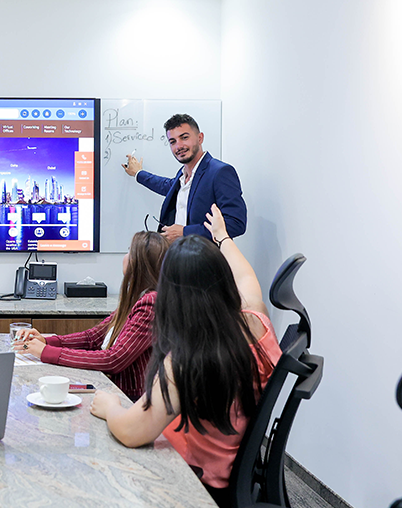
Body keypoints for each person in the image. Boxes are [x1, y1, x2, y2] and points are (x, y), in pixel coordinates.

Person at [89, 204, 281, 502]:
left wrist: (110, 405)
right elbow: (246, 277)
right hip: (229, 470)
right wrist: (222, 238)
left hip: (192, 483)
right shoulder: (256, 321)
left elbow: (130, 431)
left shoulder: (187, 361)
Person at [12, 231, 168, 400]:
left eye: (129, 251)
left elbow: (113, 359)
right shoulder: (137, 298)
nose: (124, 256)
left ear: (140, 262)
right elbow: (92, 338)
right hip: (115, 390)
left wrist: (46, 352)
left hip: (131, 399)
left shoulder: (150, 303)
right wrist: (47, 341)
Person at [122, 114, 247, 243]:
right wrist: (138, 173)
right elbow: (165, 186)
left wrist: (184, 232)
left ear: (200, 138)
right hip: (176, 256)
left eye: (184, 138)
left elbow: (235, 223)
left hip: (205, 259)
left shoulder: (220, 172)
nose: (179, 146)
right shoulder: (182, 175)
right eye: (173, 141)